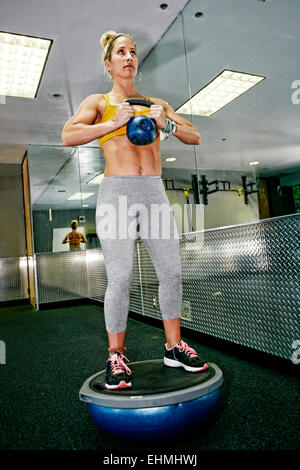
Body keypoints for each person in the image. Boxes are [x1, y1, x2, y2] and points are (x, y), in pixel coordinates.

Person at [62, 31, 208, 390]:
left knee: (172, 272)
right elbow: (68, 135)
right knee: (121, 277)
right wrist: (113, 123)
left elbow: (195, 136)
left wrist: (166, 123)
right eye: (121, 52)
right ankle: (116, 354)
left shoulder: (156, 102)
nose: (128, 56)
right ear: (109, 63)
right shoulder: (99, 101)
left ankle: (174, 347)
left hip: (153, 191)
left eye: (133, 52)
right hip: (117, 193)